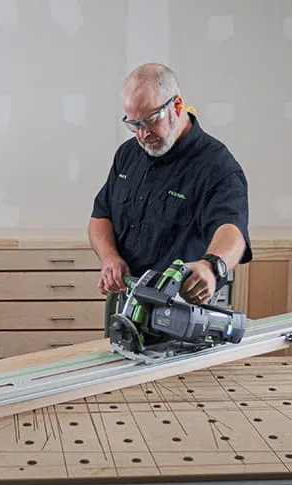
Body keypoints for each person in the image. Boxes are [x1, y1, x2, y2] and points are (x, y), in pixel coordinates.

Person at [88, 63, 252, 305]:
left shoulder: (216, 166)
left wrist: (210, 266)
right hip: (126, 302)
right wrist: (110, 258)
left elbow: (232, 232)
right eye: (134, 124)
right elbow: (101, 216)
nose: (142, 134)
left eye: (150, 121)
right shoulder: (128, 154)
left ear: (176, 106)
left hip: (179, 307)